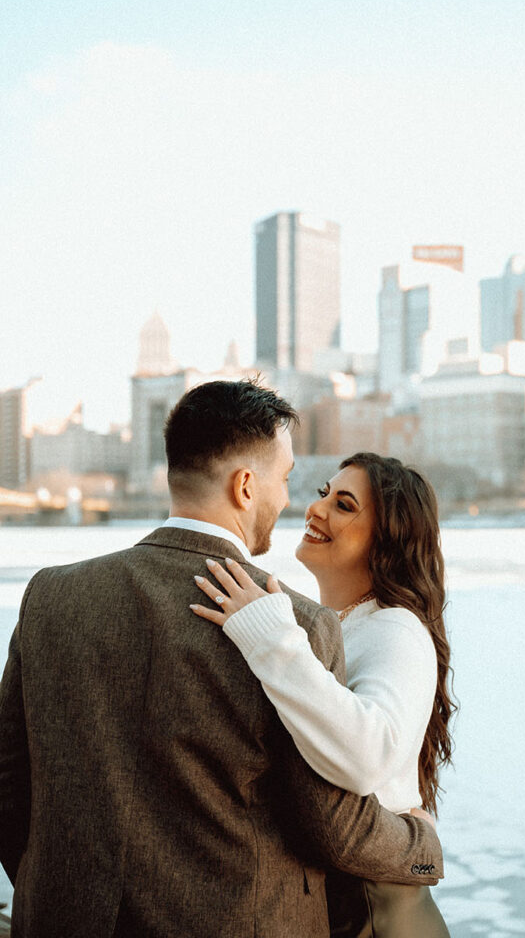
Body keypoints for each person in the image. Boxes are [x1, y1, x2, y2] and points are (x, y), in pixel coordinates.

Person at [0, 380, 443, 938]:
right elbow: (331, 823)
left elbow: (9, 782)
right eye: (285, 481)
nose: (291, 501)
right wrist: (421, 845)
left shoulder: (50, 595)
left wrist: (55, 887)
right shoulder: (297, 624)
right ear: (245, 486)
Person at [191, 451, 455, 937]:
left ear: (388, 539)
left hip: (375, 908)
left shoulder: (394, 628)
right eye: (323, 494)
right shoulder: (339, 624)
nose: (317, 509)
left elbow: (367, 757)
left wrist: (269, 638)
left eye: (345, 505)